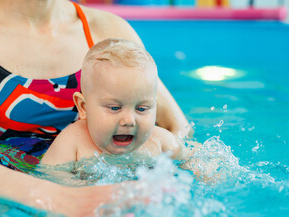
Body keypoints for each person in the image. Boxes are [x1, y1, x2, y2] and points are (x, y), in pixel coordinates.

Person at [0, 0, 189, 217]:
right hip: (14, 201)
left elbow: (176, 127)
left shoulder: (107, 29)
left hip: (106, 181)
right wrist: (59, 198)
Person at [42, 38, 188, 165]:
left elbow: (195, 163)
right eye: (114, 108)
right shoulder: (72, 143)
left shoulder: (161, 142)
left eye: (142, 109)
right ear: (83, 108)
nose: (129, 120)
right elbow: (50, 184)